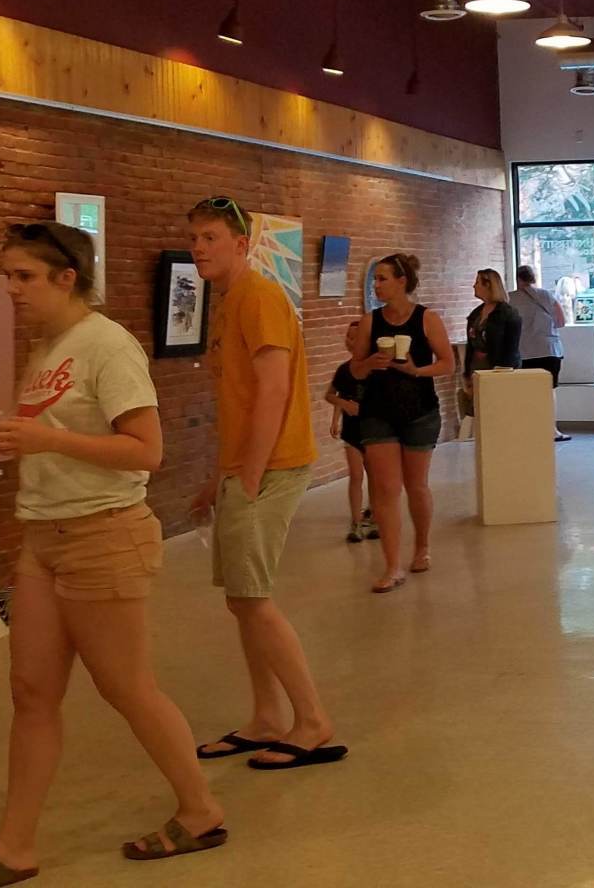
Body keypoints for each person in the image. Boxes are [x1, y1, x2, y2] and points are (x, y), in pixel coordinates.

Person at [0, 222, 227, 888]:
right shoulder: (44, 346)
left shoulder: (106, 345)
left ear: (67, 278)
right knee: (32, 690)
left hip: (104, 533)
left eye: (24, 277)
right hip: (43, 536)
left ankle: (201, 809)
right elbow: (53, 434)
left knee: (126, 686)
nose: (10, 289)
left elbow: (146, 451)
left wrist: (46, 442)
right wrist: (25, 440)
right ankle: (15, 847)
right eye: (6, 275)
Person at [185, 196, 346, 771]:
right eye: (195, 239)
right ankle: (267, 716)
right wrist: (219, 476)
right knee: (241, 600)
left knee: (254, 598)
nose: (200, 248)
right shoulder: (229, 303)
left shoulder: (259, 297)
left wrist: (249, 475)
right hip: (243, 469)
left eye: (210, 238)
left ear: (241, 243)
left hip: (271, 467)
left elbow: (275, 392)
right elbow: (239, 399)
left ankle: (311, 720)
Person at [349, 253, 455, 593]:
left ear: (401, 282)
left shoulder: (427, 319)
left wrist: (415, 370)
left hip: (419, 412)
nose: (376, 285)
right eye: (375, 279)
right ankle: (392, 566)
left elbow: (448, 364)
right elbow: (355, 370)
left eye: (382, 279)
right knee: (384, 488)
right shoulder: (370, 322)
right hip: (378, 412)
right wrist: (370, 363)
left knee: (416, 484)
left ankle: (422, 546)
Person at [324, 320, 377, 545]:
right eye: (348, 336)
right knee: (356, 476)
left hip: (375, 432)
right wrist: (339, 413)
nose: (350, 341)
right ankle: (356, 523)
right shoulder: (344, 370)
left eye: (355, 337)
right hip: (353, 432)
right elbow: (332, 394)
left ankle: (374, 518)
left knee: (375, 477)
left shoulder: (376, 370)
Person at [511, 264, 571, 442]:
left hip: (524, 352)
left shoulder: (510, 298)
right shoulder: (547, 295)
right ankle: (552, 430)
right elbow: (561, 321)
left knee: (526, 393)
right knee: (549, 391)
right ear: (534, 278)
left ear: (518, 279)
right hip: (549, 349)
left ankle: (529, 428)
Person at [463, 268, 523, 382]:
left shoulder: (508, 314)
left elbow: (510, 348)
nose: (474, 286)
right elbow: (470, 345)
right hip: (477, 368)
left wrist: (503, 372)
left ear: (488, 285)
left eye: (477, 283)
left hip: (499, 370)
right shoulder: (476, 314)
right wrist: (467, 372)